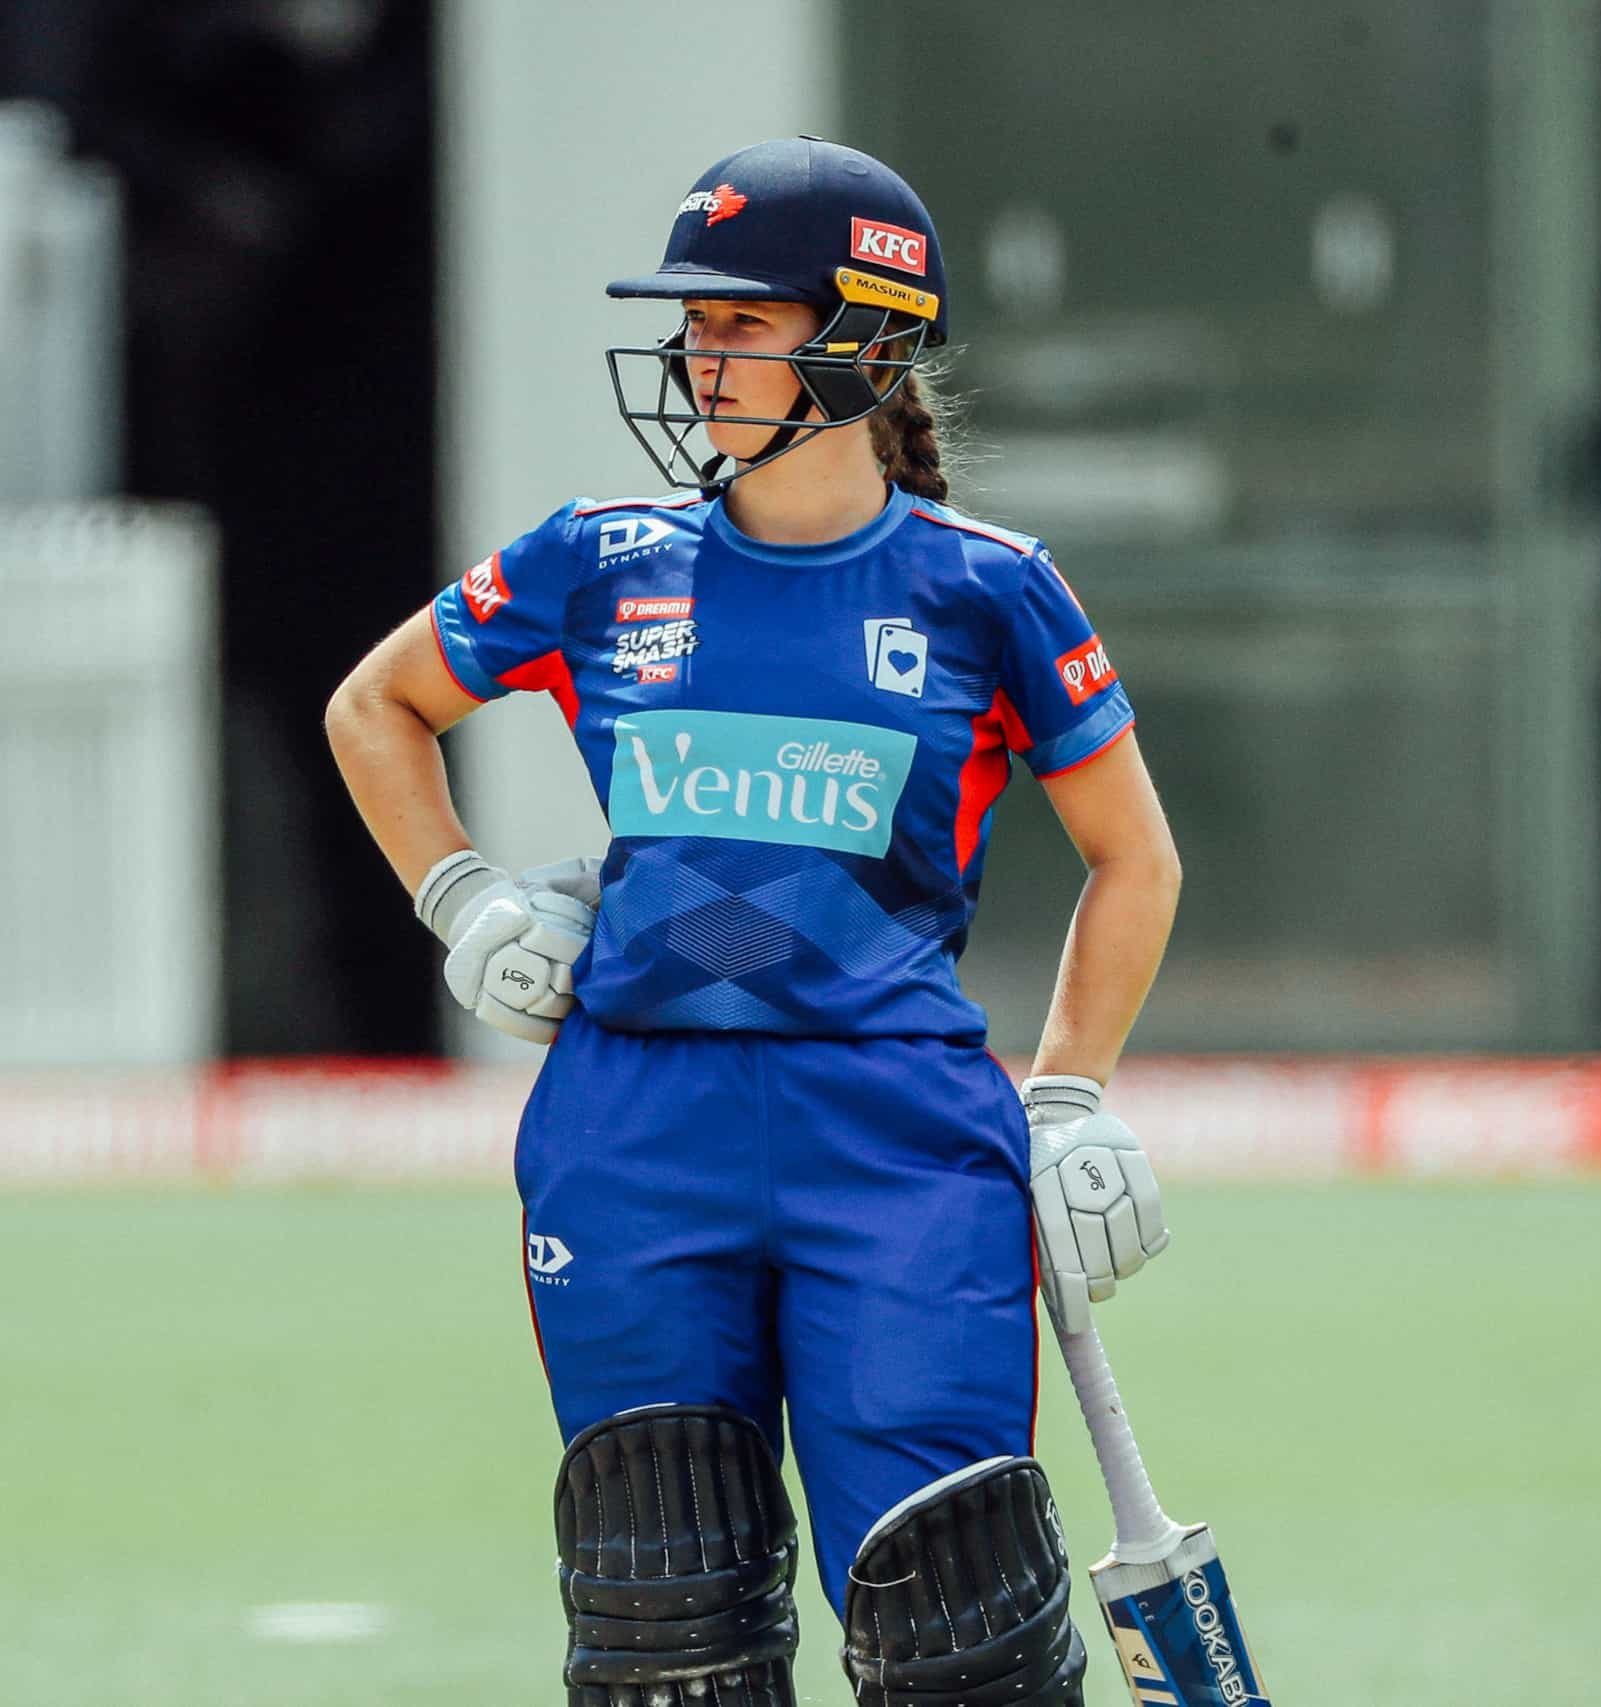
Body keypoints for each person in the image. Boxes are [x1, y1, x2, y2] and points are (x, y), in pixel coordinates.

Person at [324, 136, 1182, 1707]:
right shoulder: (600, 559)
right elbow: (377, 706)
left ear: (863, 341)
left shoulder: (987, 589)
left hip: (900, 1143)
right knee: (662, 1628)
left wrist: (1065, 1099)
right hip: (633, 1131)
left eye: (739, 325)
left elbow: (1137, 859)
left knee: (959, 1633)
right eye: (692, 326)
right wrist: (463, 895)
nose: (696, 358)